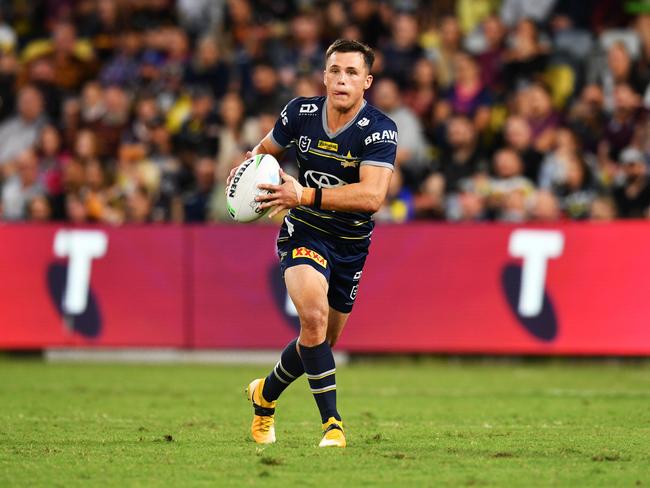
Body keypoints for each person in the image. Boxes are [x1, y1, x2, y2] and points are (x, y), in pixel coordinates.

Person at [227, 39, 397, 448]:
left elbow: (372, 197)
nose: (342, 79)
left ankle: (264, 394)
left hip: (351, 243)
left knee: (321, 339)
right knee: (314, 320)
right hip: (303, 231)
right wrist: (246, 172)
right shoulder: (298, 113)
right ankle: (332, 426)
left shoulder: (380, 129)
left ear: (367, 82)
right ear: (324, 75)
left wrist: (301, 193)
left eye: (352, 73)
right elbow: (263, 152)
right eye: (335, 70)